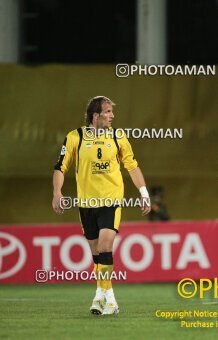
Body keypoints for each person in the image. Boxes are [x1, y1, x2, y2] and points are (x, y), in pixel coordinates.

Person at [52, 96, 151, 315]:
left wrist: (143, 193)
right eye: (107, 112)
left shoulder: (118, 137)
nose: (112, 116)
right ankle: (100, 295)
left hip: (111, 200)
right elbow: (60, 167)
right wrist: (57, 191)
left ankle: (112, 301)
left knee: (106, 246)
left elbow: (132, 166)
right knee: (97, 253)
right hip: (86, 203)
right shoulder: (75, 137)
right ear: (95, 116)